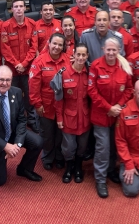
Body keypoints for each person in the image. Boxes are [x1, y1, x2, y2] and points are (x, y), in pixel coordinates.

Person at [0, 65, 44, 186]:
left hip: (11, 132)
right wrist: (5, 146)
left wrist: (17, 143)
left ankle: (24, 169)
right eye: (1, 79)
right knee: (0, 181)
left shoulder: (16, 92)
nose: (4, 83)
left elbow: (22, 120)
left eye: (8, 80)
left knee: (37, 142)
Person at [88, 38, 134, 198]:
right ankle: (100, 179)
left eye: (114, 50)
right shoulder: (96, 66)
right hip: (100, 115)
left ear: (119, 50)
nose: (111, 53)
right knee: (103, 147)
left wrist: (118, 107)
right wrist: (109, 108)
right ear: (103, 49)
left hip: (118, 115)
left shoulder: (124, 66)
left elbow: (129, 89)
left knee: (115, 144)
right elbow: (91, 90)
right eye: (108, 49)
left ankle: (111, 170)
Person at [29, 33, 69, 171]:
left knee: (60, 133)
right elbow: (33, 85)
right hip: (45, 106)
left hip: (62, 106)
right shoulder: (39, 61)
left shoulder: (68, 61)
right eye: (54, 44)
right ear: (49, 44)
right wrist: (37, 104)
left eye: (60, 45)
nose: (57, 47)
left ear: (63, 46)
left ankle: (59, 156)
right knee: (47, 134)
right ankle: (47, 157)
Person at [55, 44, 92, 184]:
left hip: (85, 117)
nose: (81, 57)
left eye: (84, 55)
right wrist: (59, 118)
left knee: (82, 147)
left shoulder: (89, 73)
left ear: (87, 56)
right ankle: (68, 168)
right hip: (68, 117)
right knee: (68, 147)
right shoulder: (63, 73)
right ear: (74, 55)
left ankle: (78, 168)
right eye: (79, 54)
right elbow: (58, 98)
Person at [0, 0, 38, 128]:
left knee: (29, 95)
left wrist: (25, 64)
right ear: (12, 9)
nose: (19, 9)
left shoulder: (32, 24)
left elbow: (34, 47)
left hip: (28, 70)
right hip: (12, 71)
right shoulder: (5, 26)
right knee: (12, 96)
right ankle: (14, 121)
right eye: (15, 6)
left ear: (25, 8)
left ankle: (31, 120)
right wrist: (17, 64)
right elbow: (5, 48)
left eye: (21, 6)